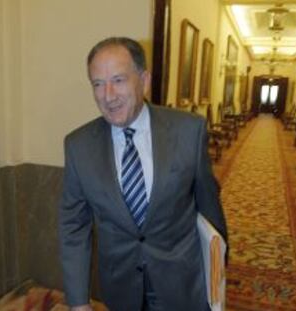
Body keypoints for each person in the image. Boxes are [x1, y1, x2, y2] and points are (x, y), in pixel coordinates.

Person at [58, 37, 228, 311]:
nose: (108, 95)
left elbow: (211, 210)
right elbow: (73, 228)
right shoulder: (78, 146)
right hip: (120, 289)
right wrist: (78, 302)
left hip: (183, 286)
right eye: (98, 84)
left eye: (119, 80)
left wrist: (218, 274)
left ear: (144, 80)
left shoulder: (188, 132)